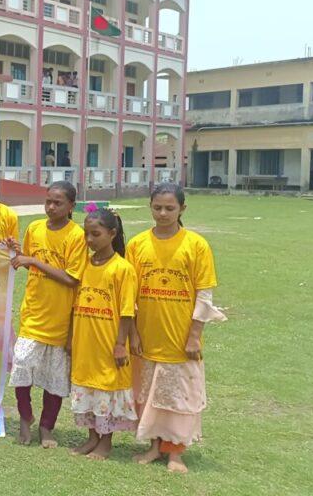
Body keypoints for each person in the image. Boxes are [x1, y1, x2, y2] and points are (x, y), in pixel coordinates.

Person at [127, 183, 224, 474]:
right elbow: (128, 296)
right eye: (157, 207)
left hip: (180, 340)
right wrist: (133, 333)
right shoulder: (137, 244)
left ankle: (175, 452)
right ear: (150, 207)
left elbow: (204, 295)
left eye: (170, 208)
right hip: (147, 337)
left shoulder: (196, 245)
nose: (163, 213)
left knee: (178, 397)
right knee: (149, 396)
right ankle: (154, 447)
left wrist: (194, 336)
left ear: (182, 209)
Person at [9, 181, 87, 448]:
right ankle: (25, 416)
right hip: (33, 313)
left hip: (60, 319)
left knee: (55, 379)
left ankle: (46, 427)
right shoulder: (34, 228)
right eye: (48, 201)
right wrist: (17, 253)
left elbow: (71, 278)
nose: (51, 207)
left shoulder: (76, 236)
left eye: (58, 203)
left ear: (71, 206)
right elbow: (28, 264)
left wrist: (33, 260)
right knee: (21, 364)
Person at [69, 207, 138, 461]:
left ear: (112, 234)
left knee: (106, 390)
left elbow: (127, 311)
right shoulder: (83, 265)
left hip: (108, 342)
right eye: (86, 234)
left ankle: (106, 442)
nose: (89, 240)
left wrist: (121, 344)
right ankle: (92, 437)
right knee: (86, 388)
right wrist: (70, 338)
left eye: (95, 234)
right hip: (85, 341)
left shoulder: (122, 269)